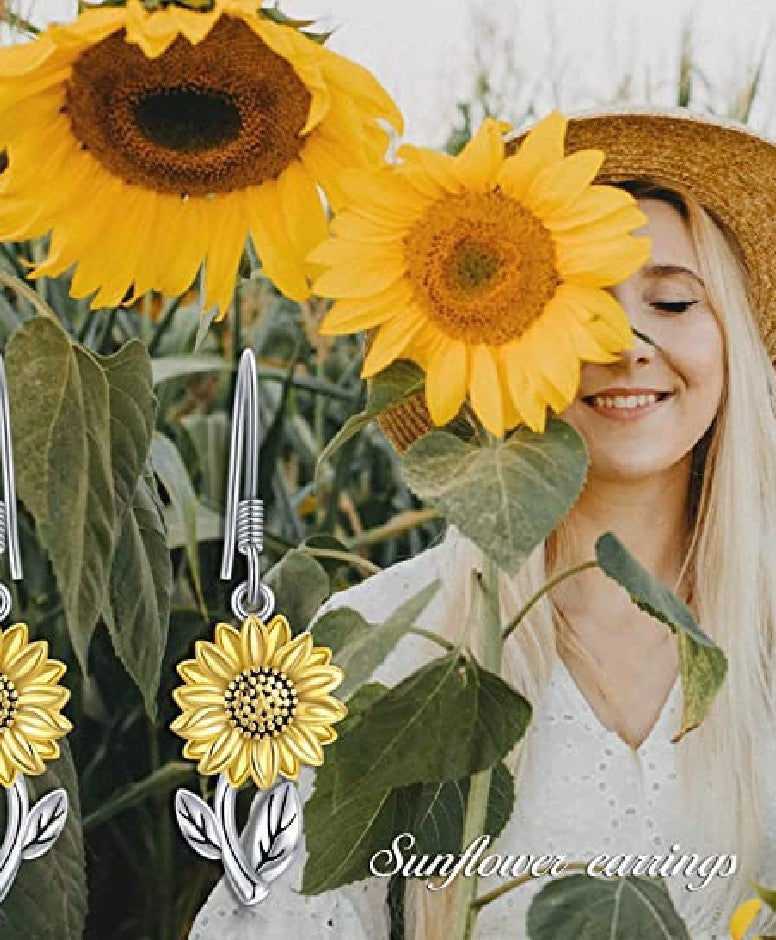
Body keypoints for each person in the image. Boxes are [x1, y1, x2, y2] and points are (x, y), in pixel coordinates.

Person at [188, 108, 776, 939]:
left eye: (674, 301)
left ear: (735, 343)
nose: (627, 341)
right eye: (579, 308)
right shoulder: (389, 643)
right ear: (502, 335)